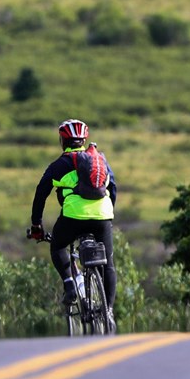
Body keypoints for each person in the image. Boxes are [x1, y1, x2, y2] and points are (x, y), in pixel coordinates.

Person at [29, 118, 117, 328]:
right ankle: (110, 312)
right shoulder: (99, 160)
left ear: (62, 140)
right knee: (109, 264)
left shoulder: (60, 164)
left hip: (73, 218)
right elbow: (112, 187)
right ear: (84, 139)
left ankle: (69, 284)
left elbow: (41, 193)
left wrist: (36, 226)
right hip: (103, 216)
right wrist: (107, 213)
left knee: (58, 246)